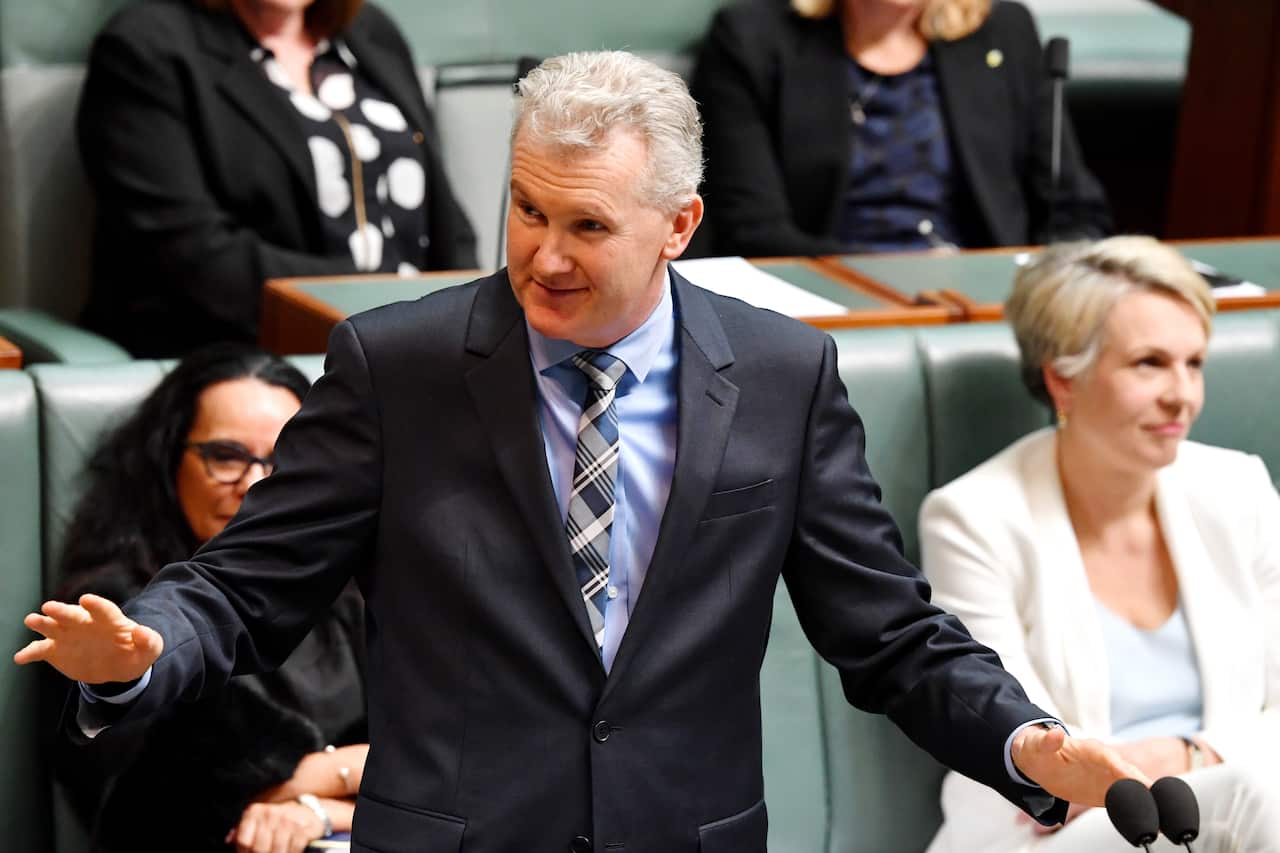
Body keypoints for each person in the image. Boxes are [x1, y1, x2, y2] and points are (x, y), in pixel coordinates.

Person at [20, 51, 1141, 852]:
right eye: (526, 210)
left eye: (587, 226)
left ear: (678, 225)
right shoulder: (394, 366)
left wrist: (1025, 744)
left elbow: (887, 631)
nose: (543, 257)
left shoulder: (781, 375)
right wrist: (141, 653)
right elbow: (243, 585)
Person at [919, 236, 1280, 852]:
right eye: (1149, 364)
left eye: (1194, 363)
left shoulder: (1237, 488)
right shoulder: (973, 519)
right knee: (1253, 794)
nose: (1182, 394)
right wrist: (1198, 766)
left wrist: (1188, 753)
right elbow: (1033, 750)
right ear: (1063, 380)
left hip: (1230, 816)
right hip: (1047, 832)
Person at [48, 343, 369, 853]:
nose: (255, 484)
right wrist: (351, 768)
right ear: (167, 461)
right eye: (226, 457)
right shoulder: (113, 613)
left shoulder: (356, 588)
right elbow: (153, 806)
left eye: (284, 461)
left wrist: (321, 808)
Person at [77, 0, 477, 357]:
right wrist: (381, 303)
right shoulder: (147, 46)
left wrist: (469, 315)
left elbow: (445, 217)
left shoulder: (371, 31)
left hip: (409, 342)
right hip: (235, 350)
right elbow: (190, 257)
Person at [689, 0, 1111, 257]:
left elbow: (1073, 209)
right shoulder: (751, 39)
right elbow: (752, 230)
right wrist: (899, 271)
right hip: (831, 295)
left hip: (976, 295)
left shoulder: (1004, 32)